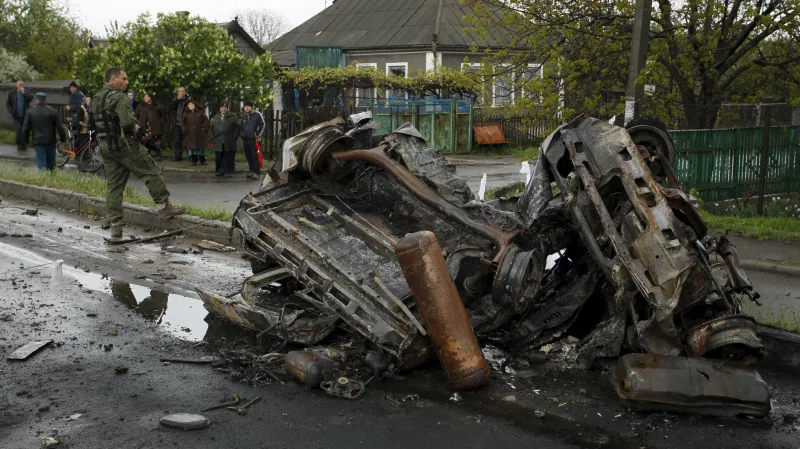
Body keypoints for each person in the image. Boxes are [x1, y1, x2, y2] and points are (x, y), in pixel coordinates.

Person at [91, 66, 185, 240]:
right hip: (124, 144)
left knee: (114, 185)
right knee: (152, 171)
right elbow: (127, 122)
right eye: (124, 79)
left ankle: (115, 227)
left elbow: (94, 122)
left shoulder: (96, 98)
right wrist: (138, 130)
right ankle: (164, 207)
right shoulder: (119, 97)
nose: (127, 82)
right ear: (113, 79)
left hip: (105, 146)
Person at [21, 92, 66, 171]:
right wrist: (63, 139)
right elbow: (60, 127)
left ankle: (43, 176)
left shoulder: (30, 112)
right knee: (51, 163)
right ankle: (52, 177)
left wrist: (26, 141)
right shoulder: (53, 111)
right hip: (50, 141)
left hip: (38, 141)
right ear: (45, 100)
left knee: (41, 161)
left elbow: (25, 128)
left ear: (36, 100)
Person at [208, 103, 238, 176]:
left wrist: (234, 137)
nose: (223, 109)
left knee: (230, 157)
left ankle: (230, 171)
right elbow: (211, 129)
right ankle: (219, 171)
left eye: (225, 107)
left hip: (229, 140)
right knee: (219, 157)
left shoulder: (233, 116)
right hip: (218, 140)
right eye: (222, 107)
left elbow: (237, 128)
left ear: (227, 108)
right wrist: (212, 138)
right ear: (219, 109)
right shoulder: (215, 117)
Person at [135, 93, 165, 161]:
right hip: (144, 126)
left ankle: (158, 154)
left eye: (147, 97)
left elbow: (163, 116)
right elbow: (136, 115)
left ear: (151, 98)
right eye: (144, 97)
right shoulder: (140, 106)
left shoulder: (157, 106)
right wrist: (137, 123)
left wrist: (160, 122)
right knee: (146, 140)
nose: (145, 98)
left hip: (155, 127)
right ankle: (146, 154)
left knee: (156, 140)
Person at [5, 80, 33, 151]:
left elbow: (30, 98)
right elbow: (8, 103)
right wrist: (11, 111)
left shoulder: (27, 92)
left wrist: (23, 92)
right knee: (18, 130)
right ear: (16, 85)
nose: (20, 85)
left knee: (25, 131)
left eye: (21, 84)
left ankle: (24, 144)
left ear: (23, 85)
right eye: (19, 84)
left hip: (25, 116)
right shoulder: (12, 93)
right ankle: (19, 144)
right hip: (16, 116)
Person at [239, 100, 264, 179]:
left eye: (248, 106)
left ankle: (256, 172)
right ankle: (251, 171)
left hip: (254, 140)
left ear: (251, 107)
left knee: (255, 156)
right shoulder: (244, 116)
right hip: (246, 140)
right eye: (245, 106)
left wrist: (257, 135)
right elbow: (241, 127)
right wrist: (242, 134)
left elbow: (263, 125)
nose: (246, 108)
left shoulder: (257, 114)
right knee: (248, 156)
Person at [180, 100, 209, 166]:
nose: (191, 105)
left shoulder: (200, 112)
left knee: (201, 147)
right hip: (190, 133)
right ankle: (194, 160)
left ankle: (202, 160)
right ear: (187, 106)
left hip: (200, 133)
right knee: (193, 147)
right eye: (189, 104)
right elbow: (182, 123)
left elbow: (206, 121)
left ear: (195, 105)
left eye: (192, 104)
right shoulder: (185, 114)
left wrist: (203, 127)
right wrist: (184, 129)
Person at [168, 86, 189, 161]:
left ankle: (191, 156)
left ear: (185, 92)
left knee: (188, 140)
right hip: (177, 123)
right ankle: (178, 157)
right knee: (177, 141)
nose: (181, 93)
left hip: (186, 124)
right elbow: (170, 109)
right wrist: (177, 100)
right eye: (180, 91)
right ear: (177, 92)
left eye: (183, 91)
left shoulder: (188, 101)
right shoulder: (175, 100)